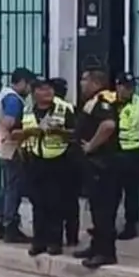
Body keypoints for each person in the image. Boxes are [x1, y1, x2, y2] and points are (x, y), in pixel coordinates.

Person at [19, 76, 77, 257]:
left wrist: (59, 132)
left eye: (50, 89)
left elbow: (76, 133)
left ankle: (55, 242)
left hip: (59, 160)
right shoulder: (28, 109)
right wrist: (28, 133)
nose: (47, 93)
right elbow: (16, 132)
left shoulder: (64, 108)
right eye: (43, 89)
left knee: (56, 203)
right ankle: (39, 241)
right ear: (35, 92)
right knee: (38, 203)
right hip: (35, 160)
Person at [72, 69, 120, 268]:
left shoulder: (102, 102)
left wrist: (91, 145)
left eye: (84, 80)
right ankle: (96, 246)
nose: (81, 84)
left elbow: (108, 126)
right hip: (94, 167)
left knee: (103, 210)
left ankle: (106, 252)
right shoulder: (93, 102)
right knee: (96, 208)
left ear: (94, 82)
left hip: (103, 166)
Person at [0, 68, 36, 243]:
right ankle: (11, 225)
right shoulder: (13, 100)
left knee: (7, 187)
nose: (30, 90)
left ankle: (1, 222)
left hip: (4, 146)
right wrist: (24, 131)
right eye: (29, 85)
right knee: (14, 189)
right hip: (12, 148)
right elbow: (9, 122)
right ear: (23, 82)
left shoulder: (4, 94)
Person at [113, 72, 139, 241]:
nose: (128, 91)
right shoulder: (107, 102)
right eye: (124, 87)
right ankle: (107, 225)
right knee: (110, 193)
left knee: (132, 193)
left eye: (131, 87)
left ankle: (130, 226)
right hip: (112, 154)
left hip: (133, 155)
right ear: (117, 86)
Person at [50, 77, 80, 246]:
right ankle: (72, 237)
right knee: (70, 201)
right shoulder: (71, 108)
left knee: (56, 201)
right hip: (71, 160)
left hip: (59, 159)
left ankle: (56, 237)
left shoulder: (53, 109)